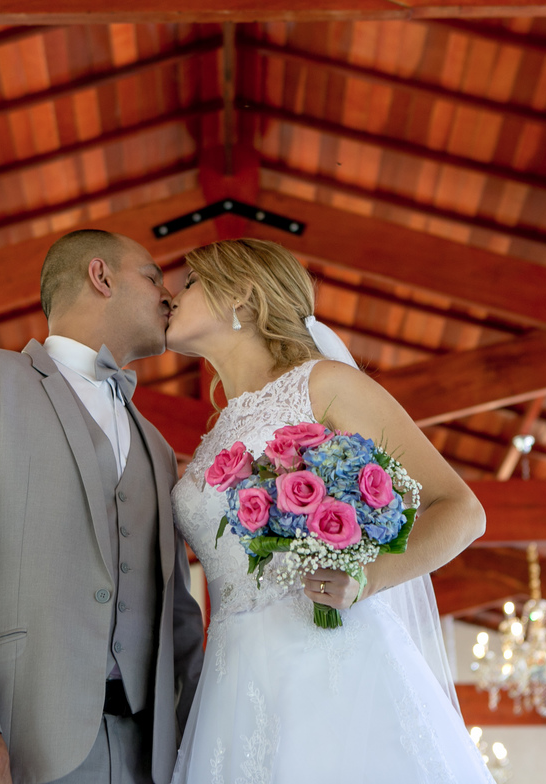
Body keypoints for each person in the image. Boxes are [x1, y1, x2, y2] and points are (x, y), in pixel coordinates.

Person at [0, 230, 205, 784]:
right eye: (153, 277)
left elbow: (176, 613)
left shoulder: (154, 443)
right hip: (8, 740)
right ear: (100, 276)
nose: (168, 296)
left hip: (143, 758)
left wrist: (200, 733)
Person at [165, 238, 494, 782]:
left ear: (241, 295)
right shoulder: (213, 436)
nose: (174, 296)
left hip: (329, 666)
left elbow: (462, 509)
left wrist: (365, 577)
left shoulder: (324, 385)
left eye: (192, 282)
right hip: (233, 678)